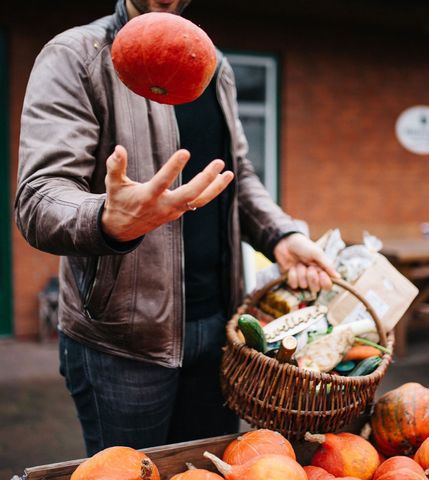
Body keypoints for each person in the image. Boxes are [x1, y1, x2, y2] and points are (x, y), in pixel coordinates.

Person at [15, 0, 337, 456]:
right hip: (124, 343)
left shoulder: (213, 65)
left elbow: (237, 174)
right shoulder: (76, 55)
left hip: (219, 331)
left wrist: (282, 236)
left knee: (205, 469)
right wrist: (106, 218)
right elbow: (39, 197)